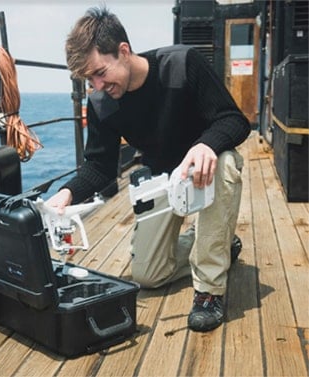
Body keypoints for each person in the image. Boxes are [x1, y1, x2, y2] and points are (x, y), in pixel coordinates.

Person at [46, 6, 251, 332]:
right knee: (149, 275)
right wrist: (66, 194)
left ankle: (209, 290)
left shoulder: (184, 63)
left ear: (123, 51)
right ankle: (221, 243)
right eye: (89, 79)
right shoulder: (101, 102)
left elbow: (234, 120)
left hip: (203, 168)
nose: (97, 86)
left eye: (100, 72)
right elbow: (99, 166)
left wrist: (206, 144)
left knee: (225, 164)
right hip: (163, 179)